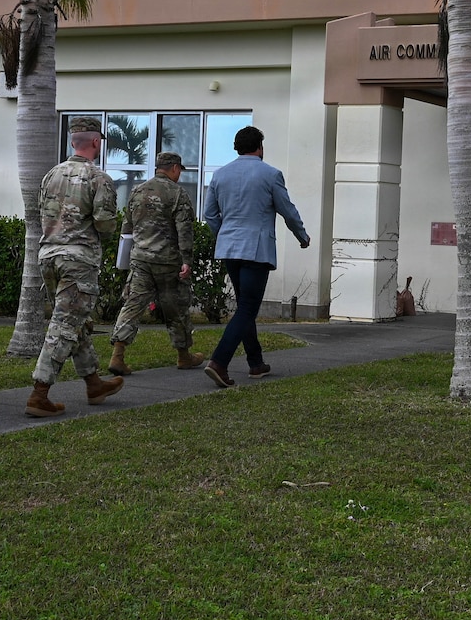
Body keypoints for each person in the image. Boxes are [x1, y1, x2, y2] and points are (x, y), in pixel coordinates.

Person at [26, 117, 125, 415]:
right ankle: (39, 394)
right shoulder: (99, 179)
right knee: (65, 325)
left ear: (73, 141)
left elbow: (41, 214)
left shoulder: (50, 175)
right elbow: (105, 225)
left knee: (75, 320)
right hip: (78, 260)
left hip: (48, 256)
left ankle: (94, 383)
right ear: (96, 142)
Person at [200, 124, 309, 388]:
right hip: (256, 249)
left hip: (229, 249)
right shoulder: (270, 174)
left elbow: (210, 215)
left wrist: (224, 234)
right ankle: (219, 362)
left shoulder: (220, 175)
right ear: (259, 147)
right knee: (248, 308)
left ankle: (256, 363)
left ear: (237, 147)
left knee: (244, 307)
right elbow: (287, 210)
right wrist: (302, 236)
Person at [108, 151, 206, 375]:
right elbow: (185, 231)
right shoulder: (178, 194)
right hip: (168, 262)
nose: (180, 174)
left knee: (133, 305)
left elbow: (127, 228)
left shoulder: (137, 191)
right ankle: (184, 356)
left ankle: (118, 355)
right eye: (180, 170)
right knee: (176, 308)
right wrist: (187, 260)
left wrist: (126, 256)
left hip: (140, 259)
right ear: (174, 168)